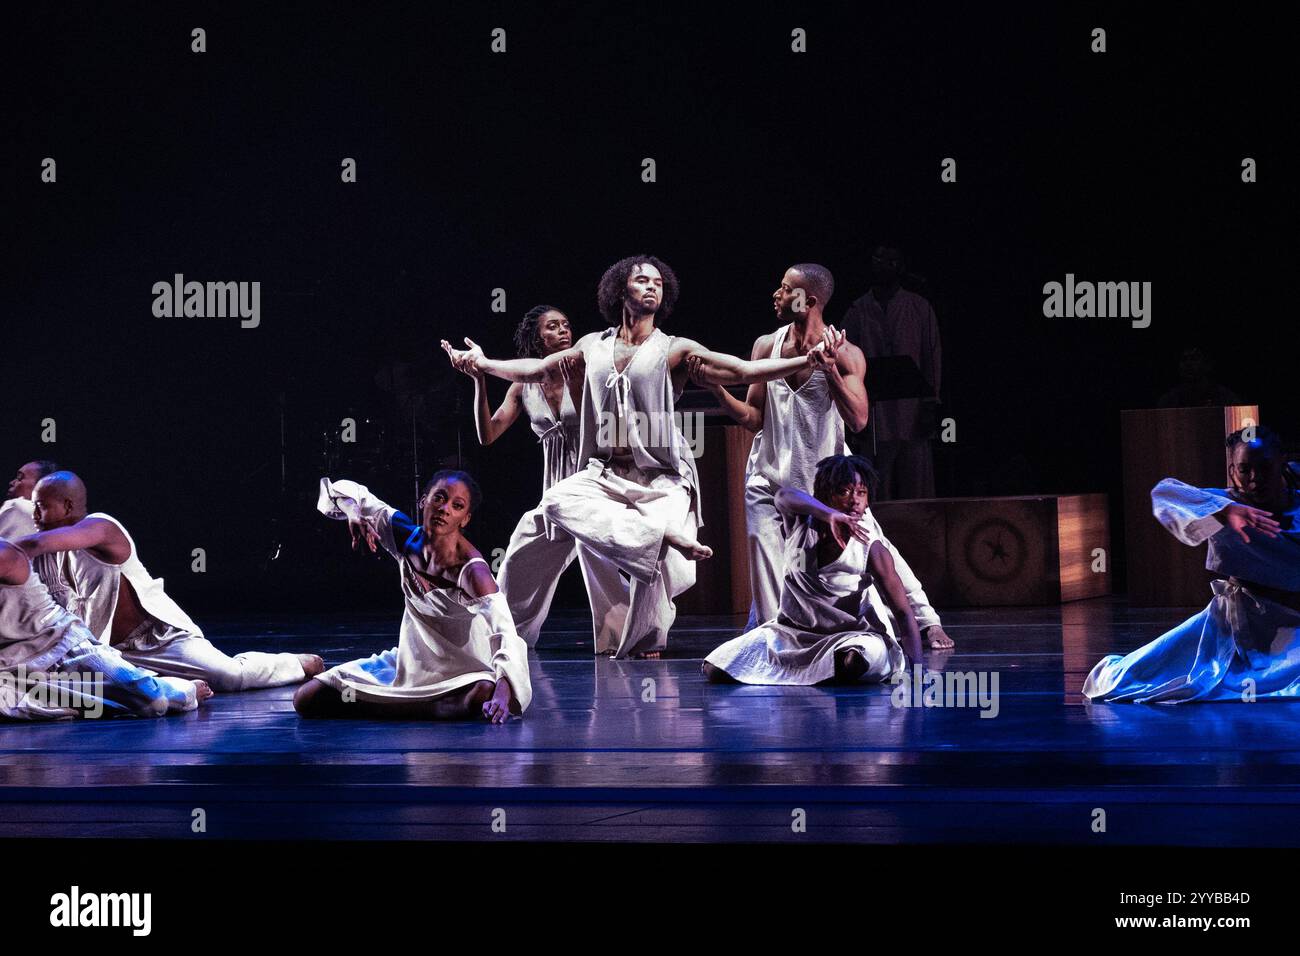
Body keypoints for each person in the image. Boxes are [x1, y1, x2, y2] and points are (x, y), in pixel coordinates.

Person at [442, 254, 830, 658]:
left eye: (659, 283)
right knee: (557, 501)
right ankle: (507, 630)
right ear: (619, 290)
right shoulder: (592, 346)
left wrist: (807, 360)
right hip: (605, 472)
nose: (652, 287)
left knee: (657, 562)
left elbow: (739, 370)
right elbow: (537, 370)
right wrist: (483, 365)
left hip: (661, 473)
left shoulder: (675, 349)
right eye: (642, 280)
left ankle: (646, 636)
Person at [688, 263, 955, 649]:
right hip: (769, 476)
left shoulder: (846, 354)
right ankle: (771, 636)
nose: (776, 295)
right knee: (766, 559)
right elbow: (753, 419)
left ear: (809, 300)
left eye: (785, 289)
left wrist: (829, 372)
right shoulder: (767, 346)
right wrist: (716, 390)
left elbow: (860, 420)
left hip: (826, 482)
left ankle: (927, 622)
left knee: (874, 545)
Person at [16, 471, 321, 692]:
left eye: (41, 505)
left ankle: (298, 663)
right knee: (70, 685)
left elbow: (32, 545)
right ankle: (177, 687)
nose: (35, 514)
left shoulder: (100, 526)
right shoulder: (53, 555)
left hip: (160, 640)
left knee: (230, 677)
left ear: (68, 506)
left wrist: (10, 552)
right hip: (115, 649)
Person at [447, 304, 629, 652]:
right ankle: (506, 638)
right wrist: (479, 380)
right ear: (537, 338)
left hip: (593, 482)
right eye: (553, 327)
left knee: (598, 559)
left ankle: (624, 639)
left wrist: (576, 385)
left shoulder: (590, 369)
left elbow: (599, 425)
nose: (563, 331)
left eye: (566, 324)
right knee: (517, 559)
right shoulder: (522, 386)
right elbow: (488, 434)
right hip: (554, 493)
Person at [1084, 426, 1300, 702]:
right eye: (1244, 470)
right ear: (1232, 471)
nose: (1254, 478)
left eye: (1264, 468)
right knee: (1128, 676)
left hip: (1292, 622)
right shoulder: (1222, 505)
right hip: (1241, 624)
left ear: (1281, 463)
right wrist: (1223, 511)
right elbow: (1164, 494)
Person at [295, 471, 532, 722]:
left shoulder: (473, 571)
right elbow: (342, 491)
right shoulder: (402, 536)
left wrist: (503, 692)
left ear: (465, 519)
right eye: (439, 498)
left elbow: (506, 632)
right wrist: (353, 514)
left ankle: (383, 706)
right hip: (412, 663)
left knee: (481, 692)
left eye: (457, 506)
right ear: (423, 501)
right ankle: (409, 708)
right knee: (306, 698)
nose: (445, 509)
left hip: (462, 671)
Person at [702, 454, 923, 685]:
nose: (854, 500)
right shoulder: (799, 524)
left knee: (854, 661)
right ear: (825, 495)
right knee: (715, 667)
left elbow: (904, 614)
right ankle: (813, 672)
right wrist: (829, 515)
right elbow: (783, 496)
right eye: (844, 491)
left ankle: (812, 672)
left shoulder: (872, 549)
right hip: (791, 635)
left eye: (861, 492)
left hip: (850, 638)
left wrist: (918, 672)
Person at [0, 538, 209, 720]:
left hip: (63, 650)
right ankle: (84, 703)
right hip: (11, 666)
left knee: (154, 702)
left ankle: (180, 688)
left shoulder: (6, 554)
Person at [842, 245, 941, 500]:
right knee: (876, 490)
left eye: (891, 260)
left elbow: (932, 357)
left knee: (917, 489)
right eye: (878, 259)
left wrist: (931, 404)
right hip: (874, 415)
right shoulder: (857, 309)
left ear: (901, 266)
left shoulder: (919, 306)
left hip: (913, 411)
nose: (884, 265)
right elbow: (842, 361)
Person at [0, 460, 59, 540]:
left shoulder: (17, 506)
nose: (12, 482)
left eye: (19, 478)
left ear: (41, 486)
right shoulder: (63, 526)